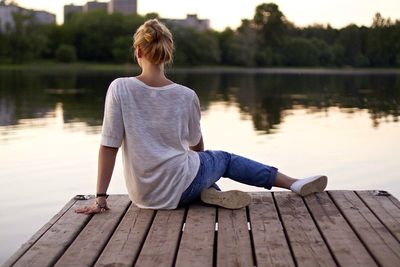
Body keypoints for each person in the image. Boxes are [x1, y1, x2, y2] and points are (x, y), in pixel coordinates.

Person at [75, 19, 327, 215]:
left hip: (143, 196)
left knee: (201, 166)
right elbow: (197, 146)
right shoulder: (186, 95)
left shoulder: (119, 88)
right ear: (168, 53)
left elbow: (109, 147)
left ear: (138, 51)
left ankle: (207, 192)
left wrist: (100, 198)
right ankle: (292, 183)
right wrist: (205, 167)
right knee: (224, 159)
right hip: (181, 187)